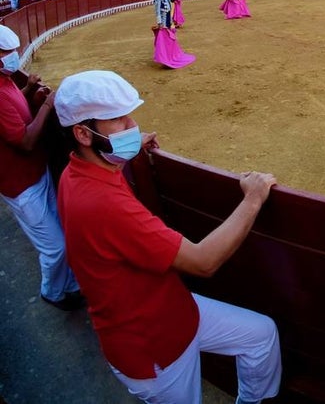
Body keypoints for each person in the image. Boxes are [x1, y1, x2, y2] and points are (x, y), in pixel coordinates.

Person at [55, 70, 281, 403]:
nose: (131, 126)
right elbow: (203, 262)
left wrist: (130, 148)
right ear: (83, 134)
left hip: (171, 308)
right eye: (117, 121)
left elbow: (106, 175)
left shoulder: (77, 171)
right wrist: (253, 198)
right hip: (153, 348)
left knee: (261, 334)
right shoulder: (104, 205)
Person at [0, 24, 83, 310]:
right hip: (19, 183)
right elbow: (24, 140)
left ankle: (70, 285)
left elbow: (11, 111)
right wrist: (47, 104)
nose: (12, 56)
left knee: (58, 231)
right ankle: (52, 293)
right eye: (6, 52)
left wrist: (27, 90)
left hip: (35, 172)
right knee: (55, 246)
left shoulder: (5, 79)